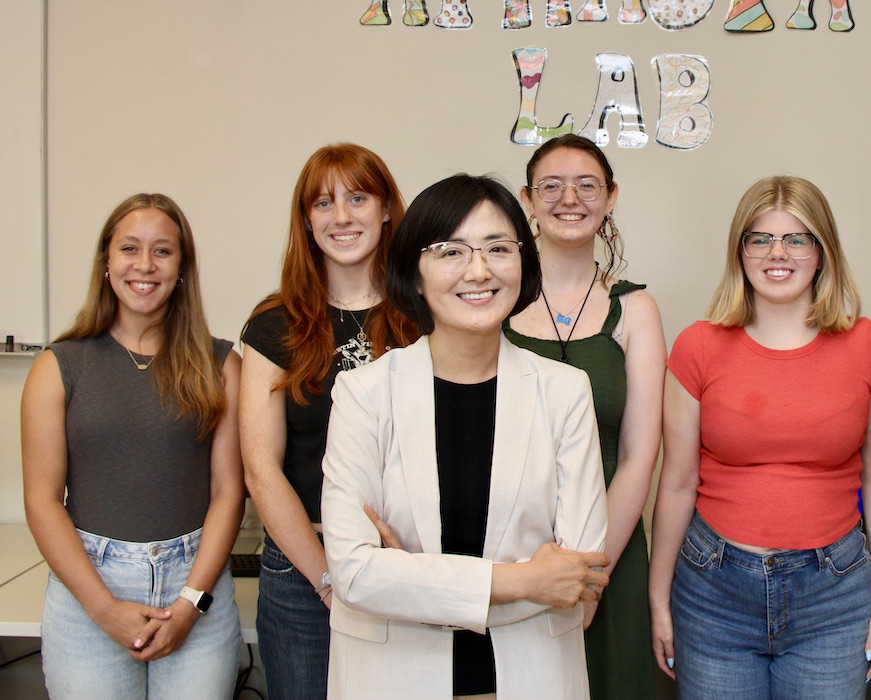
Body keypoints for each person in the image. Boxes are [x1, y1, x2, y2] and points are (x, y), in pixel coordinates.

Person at [321, 173, 610, 698]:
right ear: (414, 271)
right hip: (393, 676)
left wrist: (410, 576)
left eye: (498, 248)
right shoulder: (364, 394)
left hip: (532, 673)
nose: (479, 270)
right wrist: (523, 580)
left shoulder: (565, 392)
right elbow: (355, 573)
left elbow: (576, 574)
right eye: (451, 251)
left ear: (524, 264)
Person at [650, 175, 871, 698]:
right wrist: (658, 600)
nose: (776, 253)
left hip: (834, 591)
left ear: (822, 250)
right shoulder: (697, 346)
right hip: (713, 590)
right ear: (739, 251)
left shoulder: (868, 344)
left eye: (796, 238)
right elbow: (675, 483)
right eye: (759, 238)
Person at [22, 193, 243, 698]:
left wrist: (191, 604)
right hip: (89, 589)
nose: (145, 265)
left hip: (195, 586)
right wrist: (104, 610)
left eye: (163, 251)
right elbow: (41, 501)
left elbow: (228, 493)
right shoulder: (58, 367)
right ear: (106, 261)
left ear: (182, 267)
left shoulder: (222, 366)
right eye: (129, 248)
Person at [240, 143, 417, 698]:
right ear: (307, 221)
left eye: (358, 198)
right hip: (302, 572)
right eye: (323, 203)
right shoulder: (275, 324)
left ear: (387, 209)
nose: (341, 217)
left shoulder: (427, 316)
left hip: (407, 563)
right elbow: (261, 470)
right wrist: (326, 577)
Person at [504, 134, 664, 699]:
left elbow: (640, 456)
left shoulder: (635, 309)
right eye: (551, 185)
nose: (568, 198)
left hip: (609, 553)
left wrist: (591, 581)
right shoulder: (493, 300)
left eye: (586, 184)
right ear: (527, 198)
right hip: (509, 552)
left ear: (611, 196)